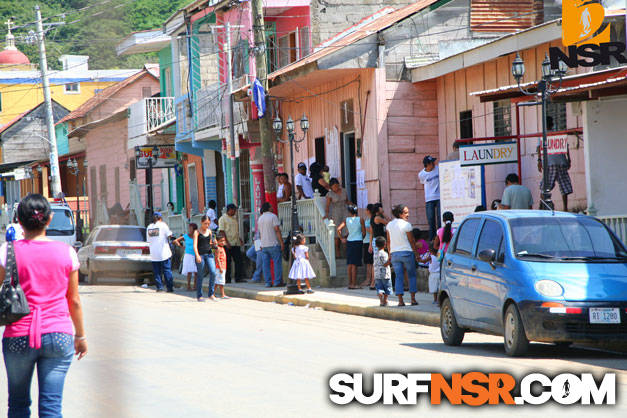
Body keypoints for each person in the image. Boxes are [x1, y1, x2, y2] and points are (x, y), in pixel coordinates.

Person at [0, 194, 87, 417]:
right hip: (58, 336)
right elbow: (74, 300)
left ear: (19, 221)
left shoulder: (7, 251)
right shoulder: (67, 252)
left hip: (18, 336)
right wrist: (80, 336)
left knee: (18, 405)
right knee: (51, 406)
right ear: (48, 220)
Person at [386, 204, 420, 307]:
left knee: (398, 277)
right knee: (412, 276)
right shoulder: (407, 225)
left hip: (394, 254)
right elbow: (412, 241)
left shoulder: (389, 225)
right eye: (405, 212)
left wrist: (389, 253)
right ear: (400, 214)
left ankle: (400, 301)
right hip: (407, 252)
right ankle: (413, 299)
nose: (408, 214)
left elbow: (388, 241)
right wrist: (416, 254)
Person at [538, 117, 573, 211]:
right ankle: (565, 207)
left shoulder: (543, 134)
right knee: (564, 185)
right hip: (561, 161)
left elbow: (539, 148)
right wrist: (568, 159)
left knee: (546, 185)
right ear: (552, 124)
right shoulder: (558, 132)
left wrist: (539, 161)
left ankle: (541, 206)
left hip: (550, 163)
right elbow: (566, 146)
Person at [337, 205, 365, 289]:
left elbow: (338, 229)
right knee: (355, 264)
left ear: (349, 212)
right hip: (358, 241)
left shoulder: (346, 220)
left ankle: (350, 283)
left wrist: (342, 238)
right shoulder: (360, 219)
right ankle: (354, 283)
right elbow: (363, 232)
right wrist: (361, 237)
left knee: (350, 263)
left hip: (349, 242)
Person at [257, 202, 285, 287]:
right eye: (271, 206)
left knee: (265, 265)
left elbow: (260, 233)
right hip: (273, 243)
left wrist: (261, 244)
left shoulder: (260, 218)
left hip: (264, 244)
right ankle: (277, 281)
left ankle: (268, 282)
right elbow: (277, 230)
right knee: (277, 263)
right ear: (269, 208)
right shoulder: (273, 216)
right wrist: (281, 242)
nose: (272, 208)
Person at [147, 212, 174, 293]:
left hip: (154, 253)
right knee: (167, 270)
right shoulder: (163, 225)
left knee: (157, 272)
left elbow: (149, 240)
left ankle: (159, 287)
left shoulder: (149, 227)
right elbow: (169, 235)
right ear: (160, 218)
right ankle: (169, 288)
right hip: (163, 253)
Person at [218, 204, 245, 283]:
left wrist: (239, 239)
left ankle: (238, 278)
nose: (235, 212)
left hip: (235, 243)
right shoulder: (223, 219)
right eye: (234, 210)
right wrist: (226, 242)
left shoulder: (234, 219)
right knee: (227, 261)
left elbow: (235, 231)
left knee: (238, 261)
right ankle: (227, 278)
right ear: (230, 210)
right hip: (228, 243)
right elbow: (222, 231)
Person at [193, 216, 218, 302]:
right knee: (200, 274)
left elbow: (210, 243)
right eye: (205, 224)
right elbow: (195, 245)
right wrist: (197, 256)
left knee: (213, 272)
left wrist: (214, 243)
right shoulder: (197, 232)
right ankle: (199, 295)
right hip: (201, 255)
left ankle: (211, 293)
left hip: (209, 254)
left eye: (208, 223)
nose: (207, 225)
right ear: (201, 222)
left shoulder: (210, 232)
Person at [324, 178, 351, 255]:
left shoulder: (344, 191)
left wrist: (352, 205)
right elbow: (327, 206)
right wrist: (326, 214)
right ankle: (337, 251)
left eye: (337, 186)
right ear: (331, 187)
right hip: (336, 212)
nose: (336, 188)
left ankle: (346, 250)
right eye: (334, 186)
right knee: (337, 231)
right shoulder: (330, 194)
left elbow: (347, 201)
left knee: (346, 230)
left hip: (345, 211)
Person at [419, 155, 441, 240]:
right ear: (427, 164)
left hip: (439, 197)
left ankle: (439, 237)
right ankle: (432, 239)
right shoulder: (421, 174)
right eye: (432, 163)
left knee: (440, 219)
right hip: (429, 198)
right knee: (431, 220)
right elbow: (422, 185)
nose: (434, 164)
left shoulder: (438, 169)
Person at [173, 223, 198, 291]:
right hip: (188, 255)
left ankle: (195, 286)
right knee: (189, 271)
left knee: (196, 272)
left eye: (191, 228)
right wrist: (181, 246)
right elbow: (175, 241)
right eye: (189, 228)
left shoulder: (197, 236)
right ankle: (189, 286)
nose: (189, 229)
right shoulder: (186, 236)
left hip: (196, 254)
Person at [373, 236, 392, 307]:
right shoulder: (384, 254)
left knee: (379, 288)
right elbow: (385, 264)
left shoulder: (375, 253)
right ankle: (385, 300)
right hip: (385, 274)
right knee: (387, 288)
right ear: (385, 244)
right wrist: (390, 260)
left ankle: (381, 301)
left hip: (377, 274)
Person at [360, 204, 375, 289]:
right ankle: (368, 279)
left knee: (371, 262)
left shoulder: (372, 220)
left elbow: (371, 230)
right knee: (368, 263)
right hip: (365, 241)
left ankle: (371, 280)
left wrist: (364, 228)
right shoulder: (367, 219)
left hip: (370, 242)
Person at [214, 232, 230, 299]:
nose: (223, 242)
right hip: (219, 267)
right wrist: (220, 267)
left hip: (223, 267)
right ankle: (219, 294)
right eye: (221, 241)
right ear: (217, 241)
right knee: (218, 281)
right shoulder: (218, 248)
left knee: (220, 281)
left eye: (224, 241)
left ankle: (220, 294)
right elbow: (217, 258)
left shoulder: (222, 248)